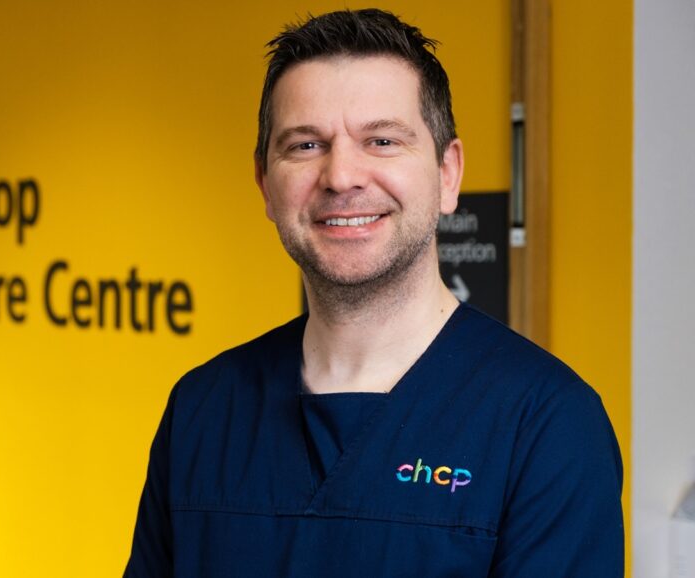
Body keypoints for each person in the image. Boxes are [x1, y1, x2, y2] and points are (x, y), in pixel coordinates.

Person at [124, 8, 623, 577]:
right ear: (265, 183)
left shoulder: (548, 427)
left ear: (448, 173)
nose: (341, 176)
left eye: (382, 140)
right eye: (306, 145)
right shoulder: (203, 410)